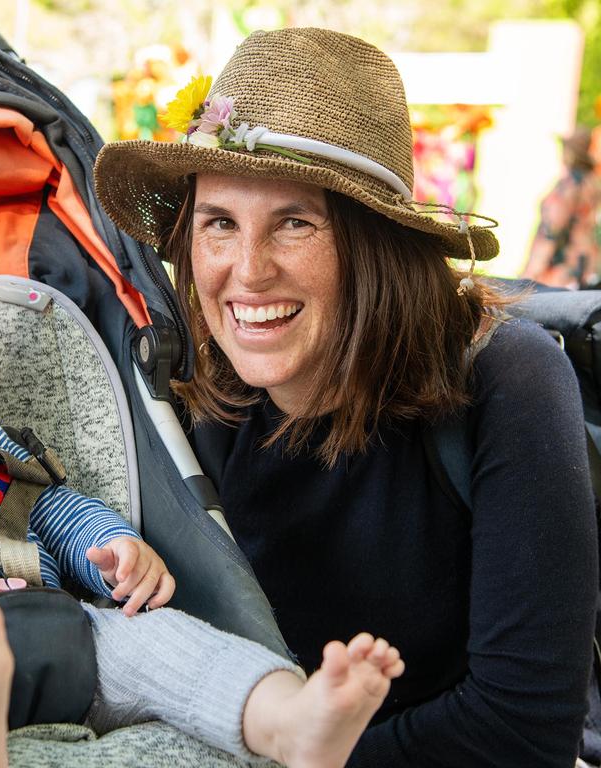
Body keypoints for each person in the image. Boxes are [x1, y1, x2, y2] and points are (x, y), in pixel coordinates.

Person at [93, 27, 598, 767]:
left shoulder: (506, 381)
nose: (248, 270)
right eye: (219, 224)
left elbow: (521, 729)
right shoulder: (205, 400)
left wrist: (306, 755)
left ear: (375, 244)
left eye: (295, 222)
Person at [0, 207, 405, 768]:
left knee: (158, 640)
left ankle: (289, 718)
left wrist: (115, 544)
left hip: (58, 632)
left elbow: (56, 512)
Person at [523, 125, 601, 288]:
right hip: (586, 265)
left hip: (562, 268)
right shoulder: (592, 183)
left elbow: (551, 230)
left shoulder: (570, 185)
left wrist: (531, 274)